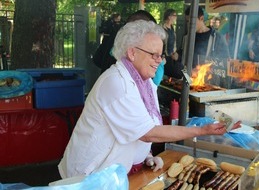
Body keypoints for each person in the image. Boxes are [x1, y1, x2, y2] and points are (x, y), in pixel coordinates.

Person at [58, 20, 238, 178]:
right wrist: (202, 130)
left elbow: (138, 127)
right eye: (154, 54)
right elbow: (148, 132)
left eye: (161, 55)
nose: (160, 60)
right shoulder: (117, 83)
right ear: (132, 53)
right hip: (90, 177)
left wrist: (146, 156)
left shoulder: (145, 83)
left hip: (117, 173)